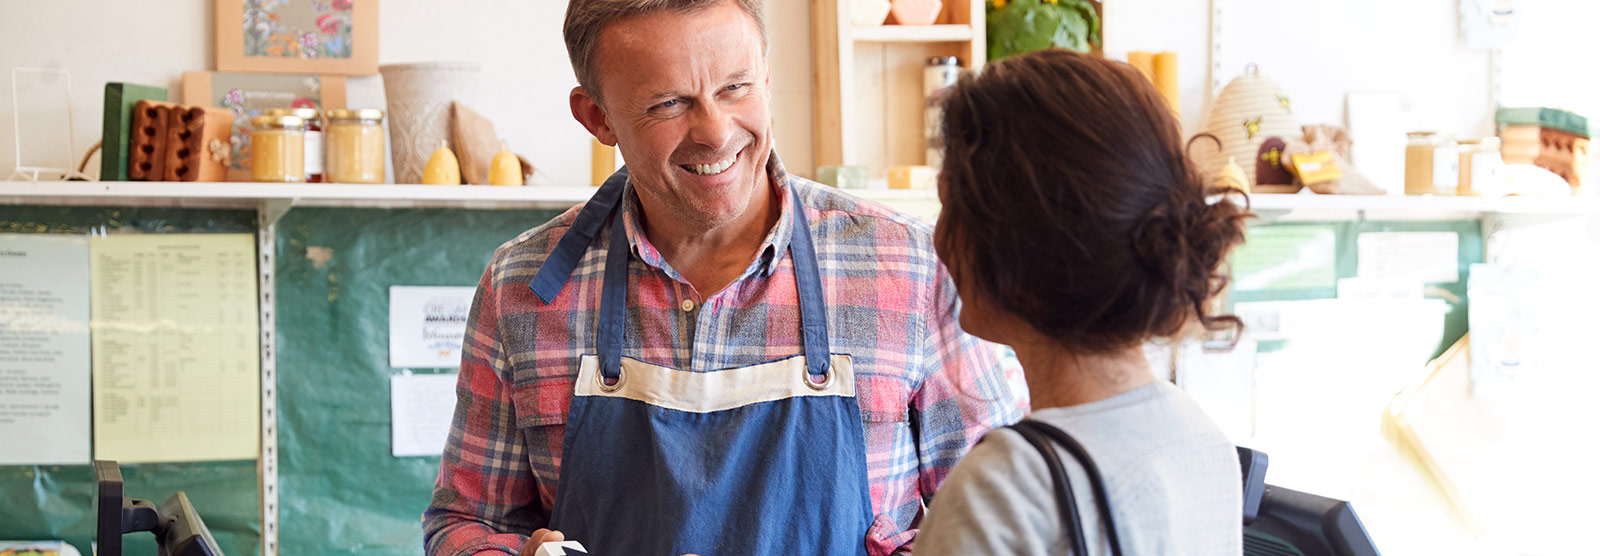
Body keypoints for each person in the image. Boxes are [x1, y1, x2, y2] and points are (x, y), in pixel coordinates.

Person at [421, 1, 1024, 555]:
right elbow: (464, 523)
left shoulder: (911, 266)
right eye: (668, 103)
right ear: (597, 117)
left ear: (765, 77)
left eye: (735, 87)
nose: (714, 130)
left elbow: (1009, 523)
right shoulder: (522, 286)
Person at [913, 48, 1248, 555]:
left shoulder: (1006, 489)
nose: (938, 239)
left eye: (950, 203)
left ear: (1018, 241)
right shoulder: (1203, 443)